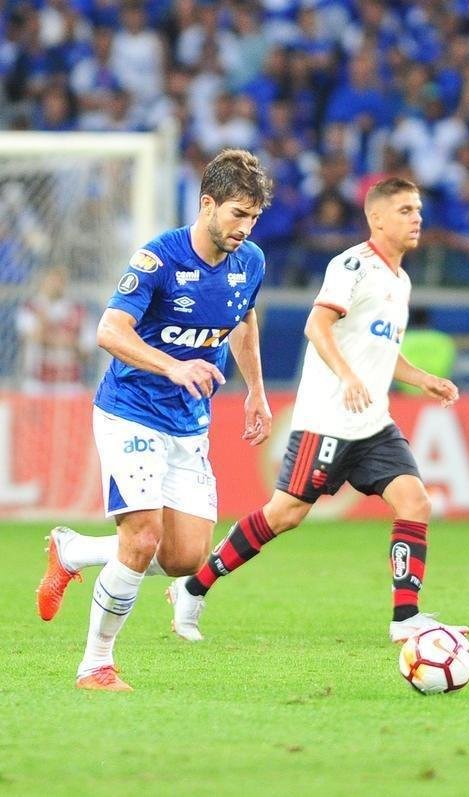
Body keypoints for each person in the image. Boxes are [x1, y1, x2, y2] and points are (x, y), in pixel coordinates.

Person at [165, 177, 467, 647]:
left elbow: (381, 352)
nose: (417, 219)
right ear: (377, 218)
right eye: (406, 210)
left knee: (415, 501)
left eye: (419, 211)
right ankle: (192, 586)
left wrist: (422, 377)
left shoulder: (400, 281)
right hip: (328, 418)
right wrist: (347, 377)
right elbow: (317, 325)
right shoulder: (351, 266)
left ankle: (405, 617)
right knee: (284, 514)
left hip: (372, 422)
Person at [36, 148, 275, 691]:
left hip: (188, 424)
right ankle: (95, 664)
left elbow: (243, 320)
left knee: (184, 557)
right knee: (141, 538)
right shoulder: (158, 259)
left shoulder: (250, 261)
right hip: (130, 412)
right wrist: (173, 366)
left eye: (254, 217)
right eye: (238, 214)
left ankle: (73, 550)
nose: (245, 227)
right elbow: (109, 331)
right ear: (207, 203)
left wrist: (255, 391)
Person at [15, 265, 95, 394]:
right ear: (42, 282)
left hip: (69, 382)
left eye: (59, 281)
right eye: (51, 280)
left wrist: (61, 340)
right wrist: (64, 338)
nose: (54, 285)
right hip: (38, 381)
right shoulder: (30, 307)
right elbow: (33, 336)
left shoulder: (78, 310)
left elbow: (86, 349)